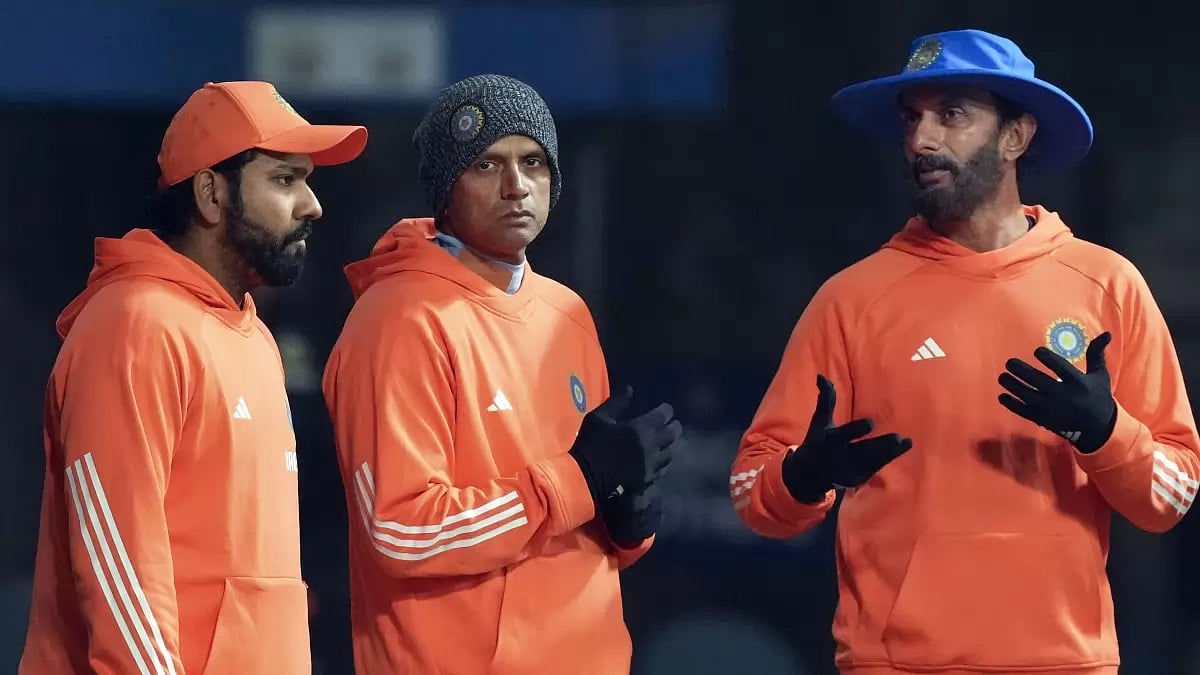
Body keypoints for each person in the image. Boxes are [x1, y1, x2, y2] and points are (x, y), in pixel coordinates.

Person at [730, 28, 1200, 675]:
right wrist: (803, 476)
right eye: (912, 119)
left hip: (1066, 663)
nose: (922, 140)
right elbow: (753, 492)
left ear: (1016, 136)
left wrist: (1107, 434)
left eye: (951, 115)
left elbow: (1171, 498)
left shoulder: (1107, 286)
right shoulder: (851, 299)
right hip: (895, 664)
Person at [322, 73, 682, 674]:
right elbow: (401, 531)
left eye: (534, 163)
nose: (517, 186)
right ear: (444, 189)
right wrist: (577, 480)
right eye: (486, 165)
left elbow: (575, 512)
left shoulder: (566, 312)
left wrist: (624, 522)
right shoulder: (397, 319)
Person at [19, 81, 368, 675]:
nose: (313, 205)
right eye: (285, 180)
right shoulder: (132, 325)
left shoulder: (251, 334)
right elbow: (120, 574)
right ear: (211, 192)